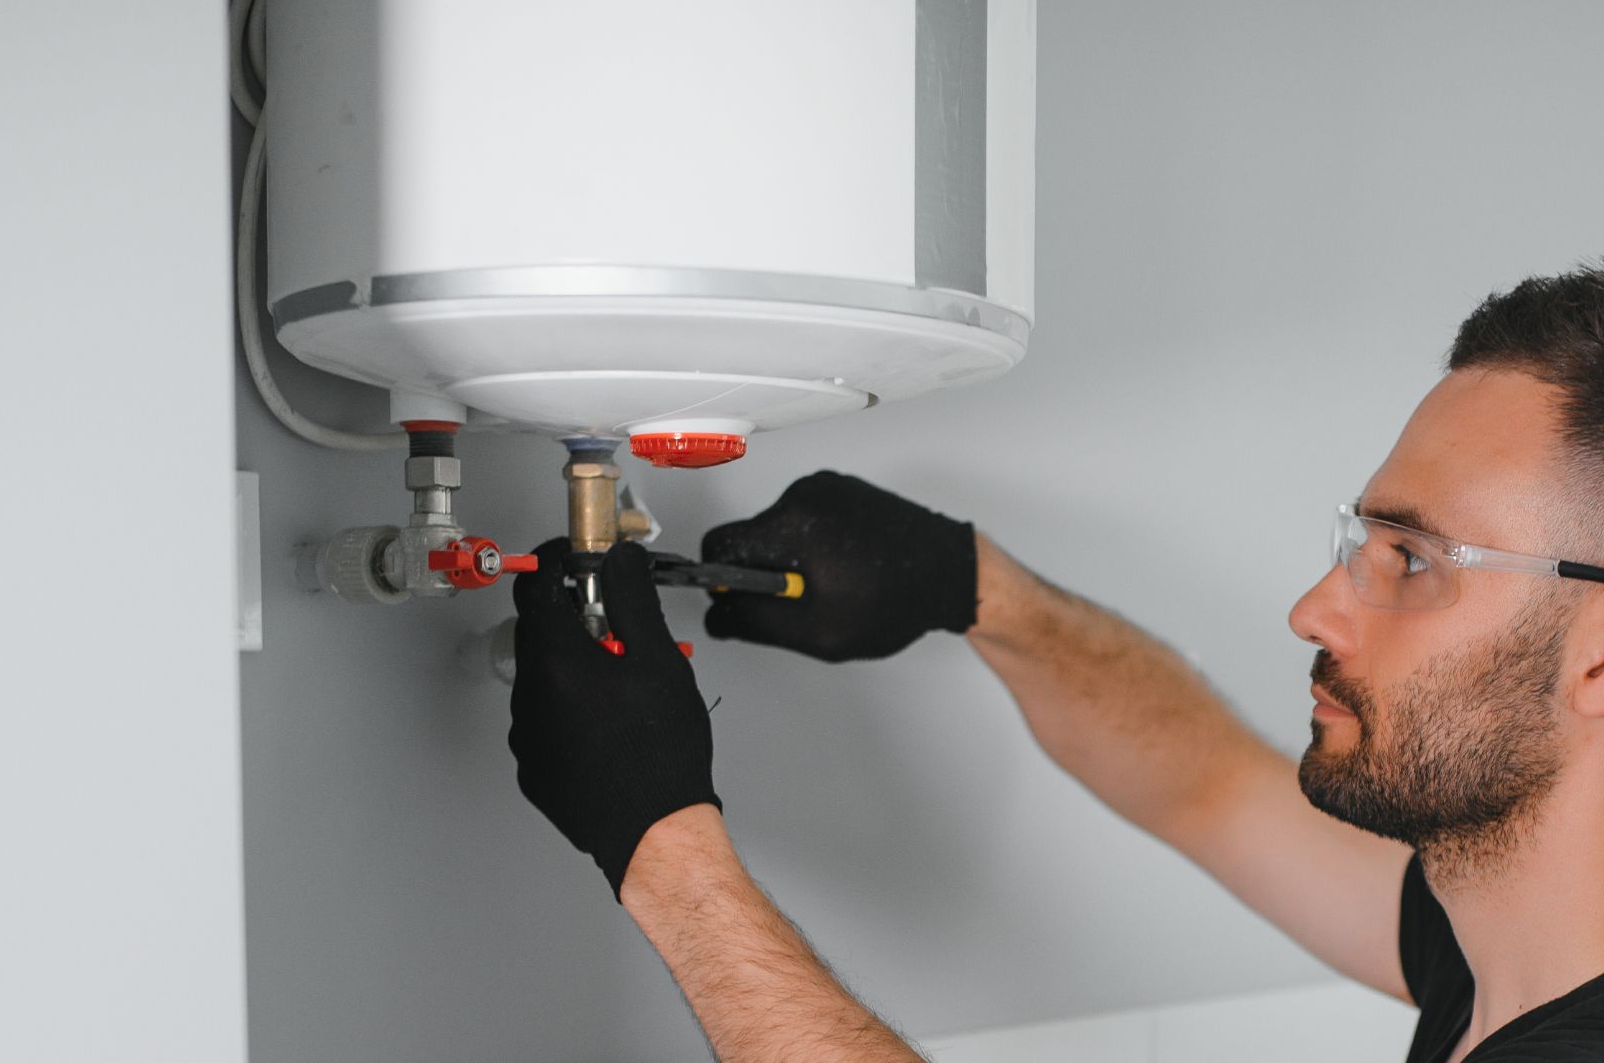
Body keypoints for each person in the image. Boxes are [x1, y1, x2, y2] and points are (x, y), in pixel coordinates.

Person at [508, 264, 1604, 1063]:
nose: (1313, 610)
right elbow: (1209, 787)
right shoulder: (1501, 935)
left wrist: (662, 846)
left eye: (1412, 560)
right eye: (1361, 544)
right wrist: (972, 587)